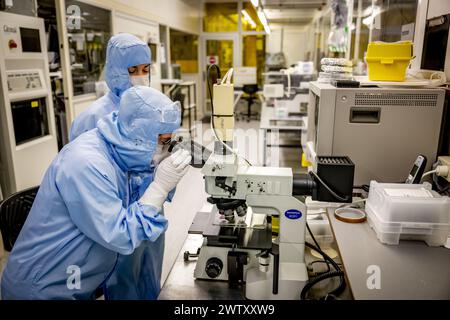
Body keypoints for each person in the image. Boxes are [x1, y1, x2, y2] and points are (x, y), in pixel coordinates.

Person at [1, 86, 191, 300]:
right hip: (42, 290)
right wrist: (159, 187)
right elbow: (121, 235)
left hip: (77, 280)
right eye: (163, 141)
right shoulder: (86, 162)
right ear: (139, 135)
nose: (166, 147)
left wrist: (158, 170)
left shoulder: (123, 152)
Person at [69, 33, 152, 141]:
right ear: (115, 71)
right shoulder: (93, 118)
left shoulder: (147, 108)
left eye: (145, 70)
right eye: (132, 70)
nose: (141, 77)